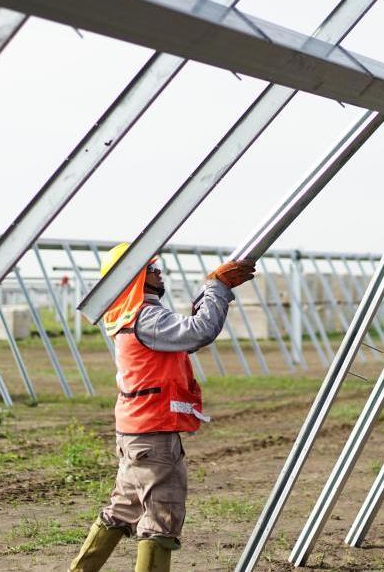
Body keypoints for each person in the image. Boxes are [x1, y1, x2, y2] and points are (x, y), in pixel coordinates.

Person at [70, 243, 255, 572]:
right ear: (135, 278)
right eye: (152, 269)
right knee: (160, 516)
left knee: (123, 508)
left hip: (137, 432)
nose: (159, 273)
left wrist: (211, 292)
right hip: (152, 435)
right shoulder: (147, 316)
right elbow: (199, 331)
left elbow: (186, 332)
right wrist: (218, 288)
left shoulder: (132, 316)